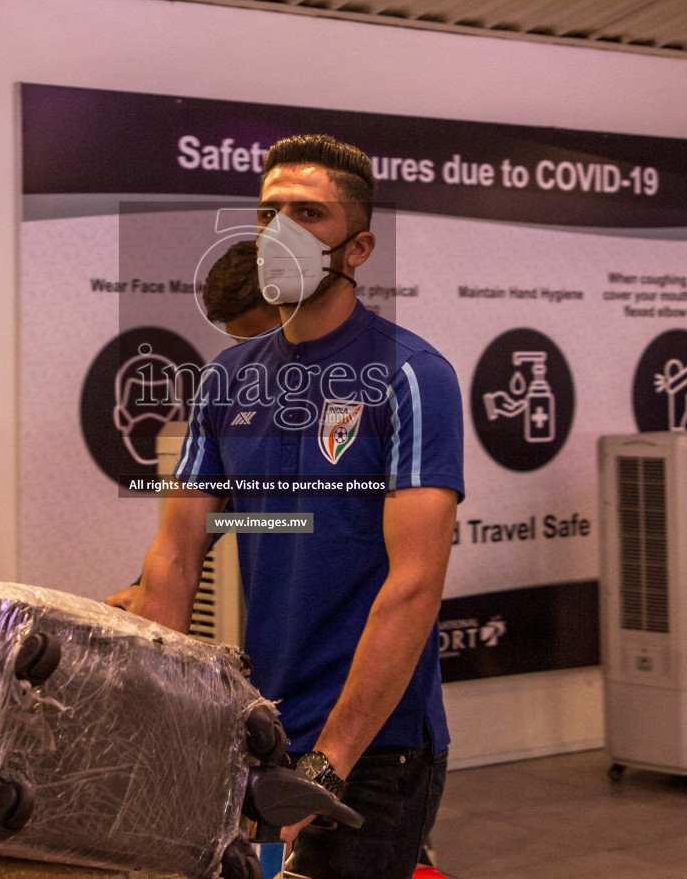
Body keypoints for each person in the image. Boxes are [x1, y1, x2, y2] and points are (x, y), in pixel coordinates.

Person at [129, 135, 463, 879]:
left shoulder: (412, 376)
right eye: (268, 211)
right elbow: (177, 554)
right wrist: (159, 719)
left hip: (377, 743)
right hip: (266, 726)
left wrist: (326, 765)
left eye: (308, 214)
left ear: (358, 245)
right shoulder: (225, 381)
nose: (279, 230)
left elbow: (414, 586)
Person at [106, 240, 281, 610]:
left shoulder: (366, 382)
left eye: (261, 339)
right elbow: (212, 513)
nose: (252, 356)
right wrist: (147, 588)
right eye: (240, 342)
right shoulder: (231, 384)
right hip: (273, 632)